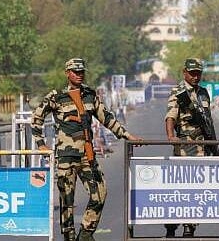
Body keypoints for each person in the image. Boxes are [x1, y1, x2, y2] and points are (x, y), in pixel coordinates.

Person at [31, 58, 142, 241]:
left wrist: (127, 135)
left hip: (87, 155)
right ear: (67, 73)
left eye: (82, 71)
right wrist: (40, 144)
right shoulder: (56, 96)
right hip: (66, 157)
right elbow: (36, 119)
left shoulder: (90, 95)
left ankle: (86, 233)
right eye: (75, 72)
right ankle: (69, 236)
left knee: (100, 192)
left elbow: (106, 118)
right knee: (67, 201)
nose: (79, 75)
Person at [164, 58, 219, 238]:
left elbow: (208, 121)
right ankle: (171, 225)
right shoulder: (178, 92)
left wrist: (213, 146)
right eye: (192, 73)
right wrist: (171, 136)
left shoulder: (203, 93)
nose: (196, 77)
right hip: (185, 147)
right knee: (179, 189)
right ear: (184, 72)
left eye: (198, 73)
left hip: (203, 146)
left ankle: (190, 226)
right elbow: (171, 116)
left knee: (197, 189)